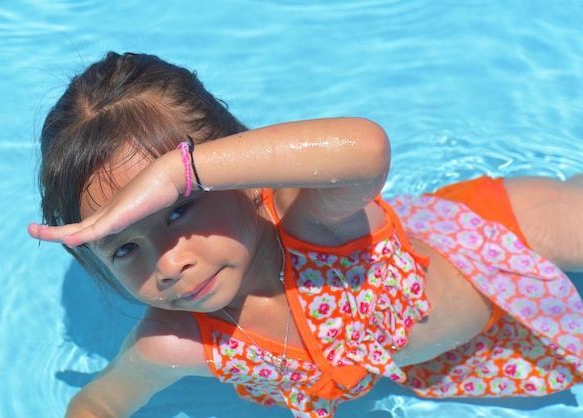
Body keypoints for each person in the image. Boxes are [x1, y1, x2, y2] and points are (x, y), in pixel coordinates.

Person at [28, 51, 583, 418]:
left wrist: (181, 171)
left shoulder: (304, 218)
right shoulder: (178, 342)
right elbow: (100, 403)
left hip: (492, 239)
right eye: (124, 247)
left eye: (178, 210)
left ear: (241, 177)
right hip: (454, 359)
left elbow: (366, 149)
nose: (169, 263)